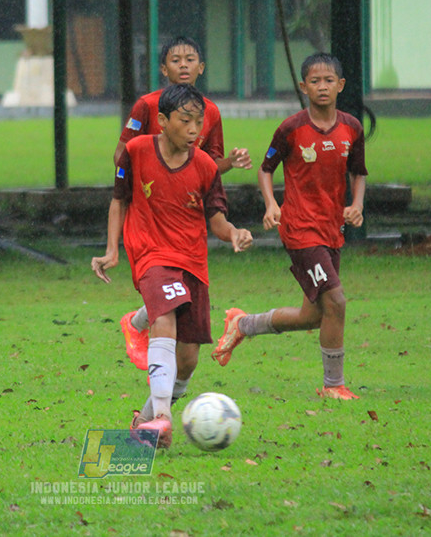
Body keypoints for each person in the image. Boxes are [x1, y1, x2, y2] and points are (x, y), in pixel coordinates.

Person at [91, 83, 253, 447]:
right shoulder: (135, 151)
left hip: (192, 260)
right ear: (162, 121)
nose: (194, 130)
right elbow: (119, 200)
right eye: (186, 121)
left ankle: (144, 422)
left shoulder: (206, 166)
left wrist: (235, 234)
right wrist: (112, 250)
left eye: (199, 122)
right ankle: (164, 417)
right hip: (150, 252)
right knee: (165, 316)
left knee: (189, 360)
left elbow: (217, 220)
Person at [210, 53, 367, 400]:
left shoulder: (352, 128)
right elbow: (265, 169)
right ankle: (333, 386)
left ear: (340, 85)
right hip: (299, 228)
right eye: (315, 81)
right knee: (337, 301)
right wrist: (272, 204)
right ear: (303, 86)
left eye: (329, 81)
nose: (322, 87)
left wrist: (355, 205)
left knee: (314, 315)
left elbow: (359, 172)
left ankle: (244, 324)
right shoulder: (291, 128)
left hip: (331, 229)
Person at [116, 36, 252, 372]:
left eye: (190, 59)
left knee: (180, 296)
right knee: (168, 294)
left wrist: (230, 163)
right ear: (163, 69)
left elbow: (208, 166)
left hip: (186, 214)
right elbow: (122, 156)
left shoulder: (211, 112)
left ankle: (138, 326)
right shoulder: (146, 106)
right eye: (175, 60)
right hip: (149, 211)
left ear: (202, 67)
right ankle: (160, 401)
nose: (183, 66)